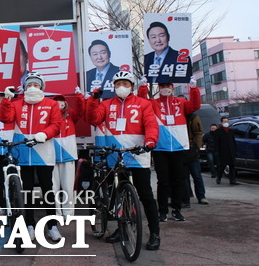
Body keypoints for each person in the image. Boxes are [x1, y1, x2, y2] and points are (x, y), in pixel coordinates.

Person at [87, 71, 161, 251]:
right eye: (118, 83)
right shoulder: (106, 104)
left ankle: (154, 233)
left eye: (126, 84)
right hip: (116, 155)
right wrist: (93, 100)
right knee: (118, 194)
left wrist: (150, 142)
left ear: (132, 86)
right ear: (113, 86)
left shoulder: (143, 104)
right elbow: (93, 119)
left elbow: (151, 124)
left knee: (145, 194)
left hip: (138, 153)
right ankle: (121, 229)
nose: (122, 87)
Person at [0, 72, 63, 242]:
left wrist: (45, 133)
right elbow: (5, 118)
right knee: (26, 190)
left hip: (44, 153)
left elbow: (56, 125)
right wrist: (6, 100)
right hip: (23, 153)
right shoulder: (16, 104)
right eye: (29, 85)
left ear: (42, 87)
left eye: (36, 85)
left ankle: (52, 226)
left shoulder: (51, 104)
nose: (33, 88)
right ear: (24, 88)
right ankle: (30, 225)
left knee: (47, 188)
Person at [138, 77, 200, 222]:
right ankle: (163, 211)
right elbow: (142, 103)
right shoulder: (153, 103)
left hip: (178, 147)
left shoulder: (181, 102)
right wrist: (143, 88)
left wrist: (193, 89)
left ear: (172, 88)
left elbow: (194, 106)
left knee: (178, 180)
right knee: (163, 181)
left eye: (168, 86)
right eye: (162, 86)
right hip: (160, 147)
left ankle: (177, 210)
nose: (165, 88)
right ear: (159, 88)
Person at [52, 87, 85, 218]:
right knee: (53, 188)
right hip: (51, 156)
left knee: (68, 187)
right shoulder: (48, 115)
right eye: (57, 101)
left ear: (65, 103)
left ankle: (68, 213)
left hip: (68, 155)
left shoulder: (70, 114)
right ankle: (56, 213)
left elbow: (81, 111)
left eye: (62, 101)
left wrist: (79, 97)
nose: (59, 103)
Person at [182, 112, 209, 206]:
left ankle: (201, 196)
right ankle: (187, 197)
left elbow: (198, 133)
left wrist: (197, 147)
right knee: (184, 176)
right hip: (181, 148)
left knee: (196, 175)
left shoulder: (192, 117)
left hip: (191, 148)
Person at [214, 117, 239, 185]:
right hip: (222, 151)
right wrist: (216, 151)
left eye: (227, 121)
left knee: (232, 166)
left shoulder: (231, 131)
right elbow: (216, 142)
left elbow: (233, 141)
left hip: (231, 151)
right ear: (221, 123)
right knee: (222, 166)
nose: (226, 123)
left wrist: (235, 150)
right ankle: (219, 177)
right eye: (224, 122)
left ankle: (232, 180)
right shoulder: (218, 131)